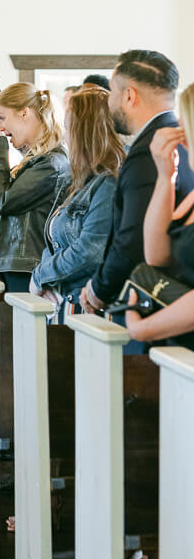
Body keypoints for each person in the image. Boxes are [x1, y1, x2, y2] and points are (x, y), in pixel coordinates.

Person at [81, 49, 194, 313]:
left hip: (153, 303)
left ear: (129, 96)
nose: (109, 103)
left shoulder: (148, 152)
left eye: (111, 92)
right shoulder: (178, 139)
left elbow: (132, 238)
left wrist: (100, 289)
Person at [30, 85, 124, 308]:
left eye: (68, 128)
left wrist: (40, 276)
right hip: (62, 298)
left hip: (86, 303)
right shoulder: (79, 181)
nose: (65, 136)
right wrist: (45, 281)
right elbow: (53, 243)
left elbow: (90, 251)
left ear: (84, 131)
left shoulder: (108, 183)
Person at [0, 83, 70, 291]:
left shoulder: (50, 163)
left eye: (2, 117)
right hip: (12, 266)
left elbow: (1, 201)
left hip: (22, 269)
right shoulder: (36, 159)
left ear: (24, 113)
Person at [124, 82, 194, 347]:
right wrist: (166, 176)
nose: (182, 137)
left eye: (185, 125)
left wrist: (144, 329)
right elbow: (157, 254)